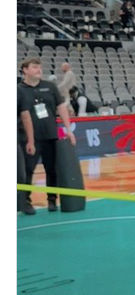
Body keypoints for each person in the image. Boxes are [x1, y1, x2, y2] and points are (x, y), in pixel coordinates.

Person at [17, 57, 77, 213]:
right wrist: (29, 140)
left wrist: (68, 129)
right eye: (34, 67)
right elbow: (22, 114)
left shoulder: (50, 87)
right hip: (29, 138)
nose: (39, 69)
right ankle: (26, 202)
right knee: (27, 170)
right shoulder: (19, 90)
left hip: (50, 135)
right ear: (25, 70)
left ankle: (52, 199)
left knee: (52, 169)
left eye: (39, 67)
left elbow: (61, 107)